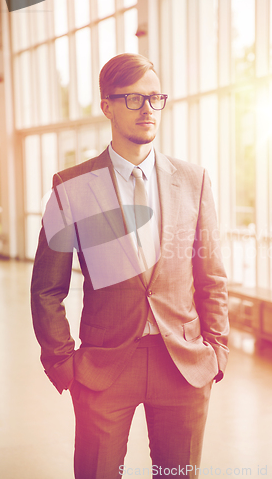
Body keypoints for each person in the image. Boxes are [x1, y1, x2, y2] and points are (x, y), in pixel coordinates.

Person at [31, 53, 229, 479]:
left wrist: (217, 350)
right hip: (104, 367)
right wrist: (63, 361)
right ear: (107, 106)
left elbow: (211, 275)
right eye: (135, 98)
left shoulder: (194, 181)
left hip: (182, 364)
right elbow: (47, 288)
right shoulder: (72, 186)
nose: (148, 110)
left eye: (156, 98)